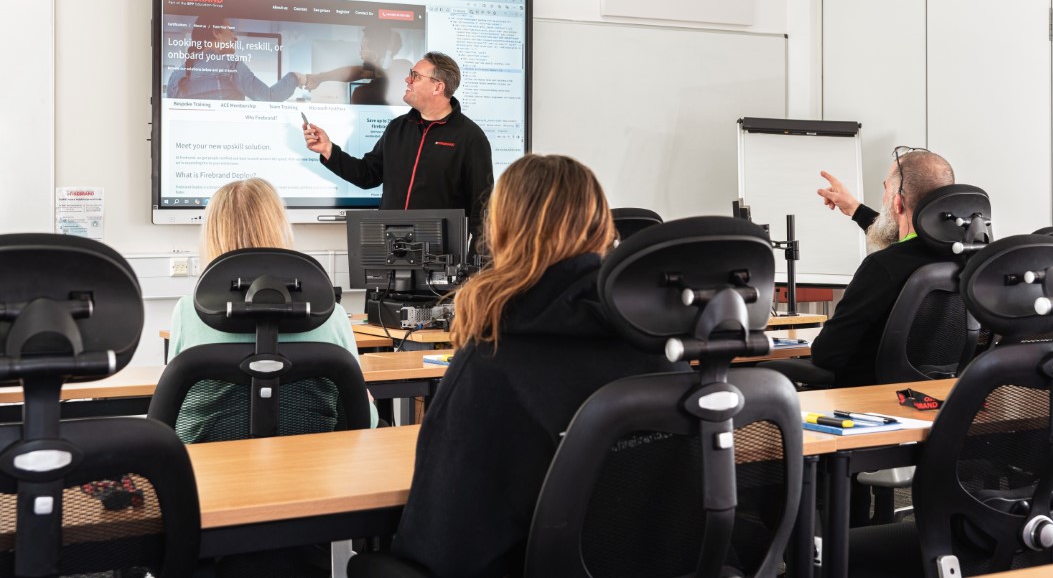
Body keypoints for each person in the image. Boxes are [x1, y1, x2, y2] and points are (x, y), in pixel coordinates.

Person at [385, 154, 679, 578]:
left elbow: (444, 546)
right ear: (602, 229)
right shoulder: (660, 347)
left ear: (501, 232)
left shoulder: (491, 363)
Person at [167, 177, 377, 442]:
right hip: (314, 471)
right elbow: (365, 423)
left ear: (211, 235)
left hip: (207, 475)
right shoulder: (330, 313)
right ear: (280, 229)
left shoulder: (188, 312)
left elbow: (175, 413)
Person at [303, 51, 493, 247]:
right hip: (391, 252)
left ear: (438, 87)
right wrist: (328, 150)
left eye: (415, 76)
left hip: (442, 258)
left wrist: (476, 266)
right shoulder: (397, 128)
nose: (407, 79)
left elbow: (482, 209)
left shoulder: (470, 137)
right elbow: (368, 175)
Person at [802, 148, 955, 386]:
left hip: (866, 401)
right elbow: (908, 243)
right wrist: (855, 208)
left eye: (886, 188)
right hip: (942, 396)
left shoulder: (881, 268)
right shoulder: (970, 259)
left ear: (897, 201)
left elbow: (827, 354)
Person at [165, 18, 304, 101]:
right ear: (216, 33)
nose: (235, 37)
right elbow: (269, 98)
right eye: (231, 30)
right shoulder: (232, 66)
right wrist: (296, 78)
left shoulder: (175, 77)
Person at [305, 23, 411, 105]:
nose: (360, 53)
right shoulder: (406, 67)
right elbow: (359, 72)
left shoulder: (361, 94)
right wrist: (320, 77)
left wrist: (320, 77)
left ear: (374, 55)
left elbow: (360, 72)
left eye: (363, 48)